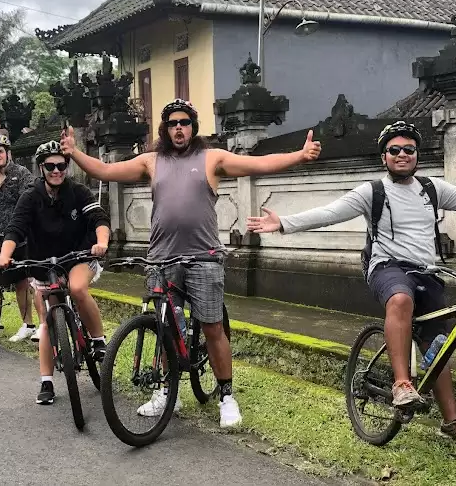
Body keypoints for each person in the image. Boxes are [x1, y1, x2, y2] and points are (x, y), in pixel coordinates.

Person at [246, 120, 456, 439]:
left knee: (438, 346)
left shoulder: (432, 189)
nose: (402, 154)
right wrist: (284, 223)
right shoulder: (373, 192)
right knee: (400, 299)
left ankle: (451, 422)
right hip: (387, 267)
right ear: (384, 157)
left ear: (417, 155)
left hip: (427, 272)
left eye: (409, 149)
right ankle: (402, 384)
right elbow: (330, 212)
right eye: (394, 150)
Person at [60, 98, 321, 428]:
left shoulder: (212, 158)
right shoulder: (152, 161)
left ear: (193, 127)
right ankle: (166, 391)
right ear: (165, 130)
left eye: (184, 122)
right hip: (161, 259)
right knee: (165, 328)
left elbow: (258, 164)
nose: (179, 128)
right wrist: (74, 153)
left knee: (212, 327)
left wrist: (300, 155)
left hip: (204, 258)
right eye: (172, 124)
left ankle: (226, 396)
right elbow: (106, 171)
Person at [0, 140, 110, 405]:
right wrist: (4, 256)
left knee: (78, 288)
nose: (56, 170)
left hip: (79, 255)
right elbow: (16, 228)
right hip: (44, 261)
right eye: (50, 166)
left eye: (61, 165)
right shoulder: (30, 196)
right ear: (41, 168)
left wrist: (101, 242)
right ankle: (46, 381)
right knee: (47, 320)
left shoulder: (78, 191)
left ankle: (98, 340)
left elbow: (99, 218)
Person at [0, 133, 39, 343]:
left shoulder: (21, 174)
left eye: (0, 151)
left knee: (36, 280)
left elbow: (31, 204)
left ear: (8, 153)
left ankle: (44, 325)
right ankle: (28, 325)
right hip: (2, 238)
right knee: (19, 282)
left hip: (27, 235)